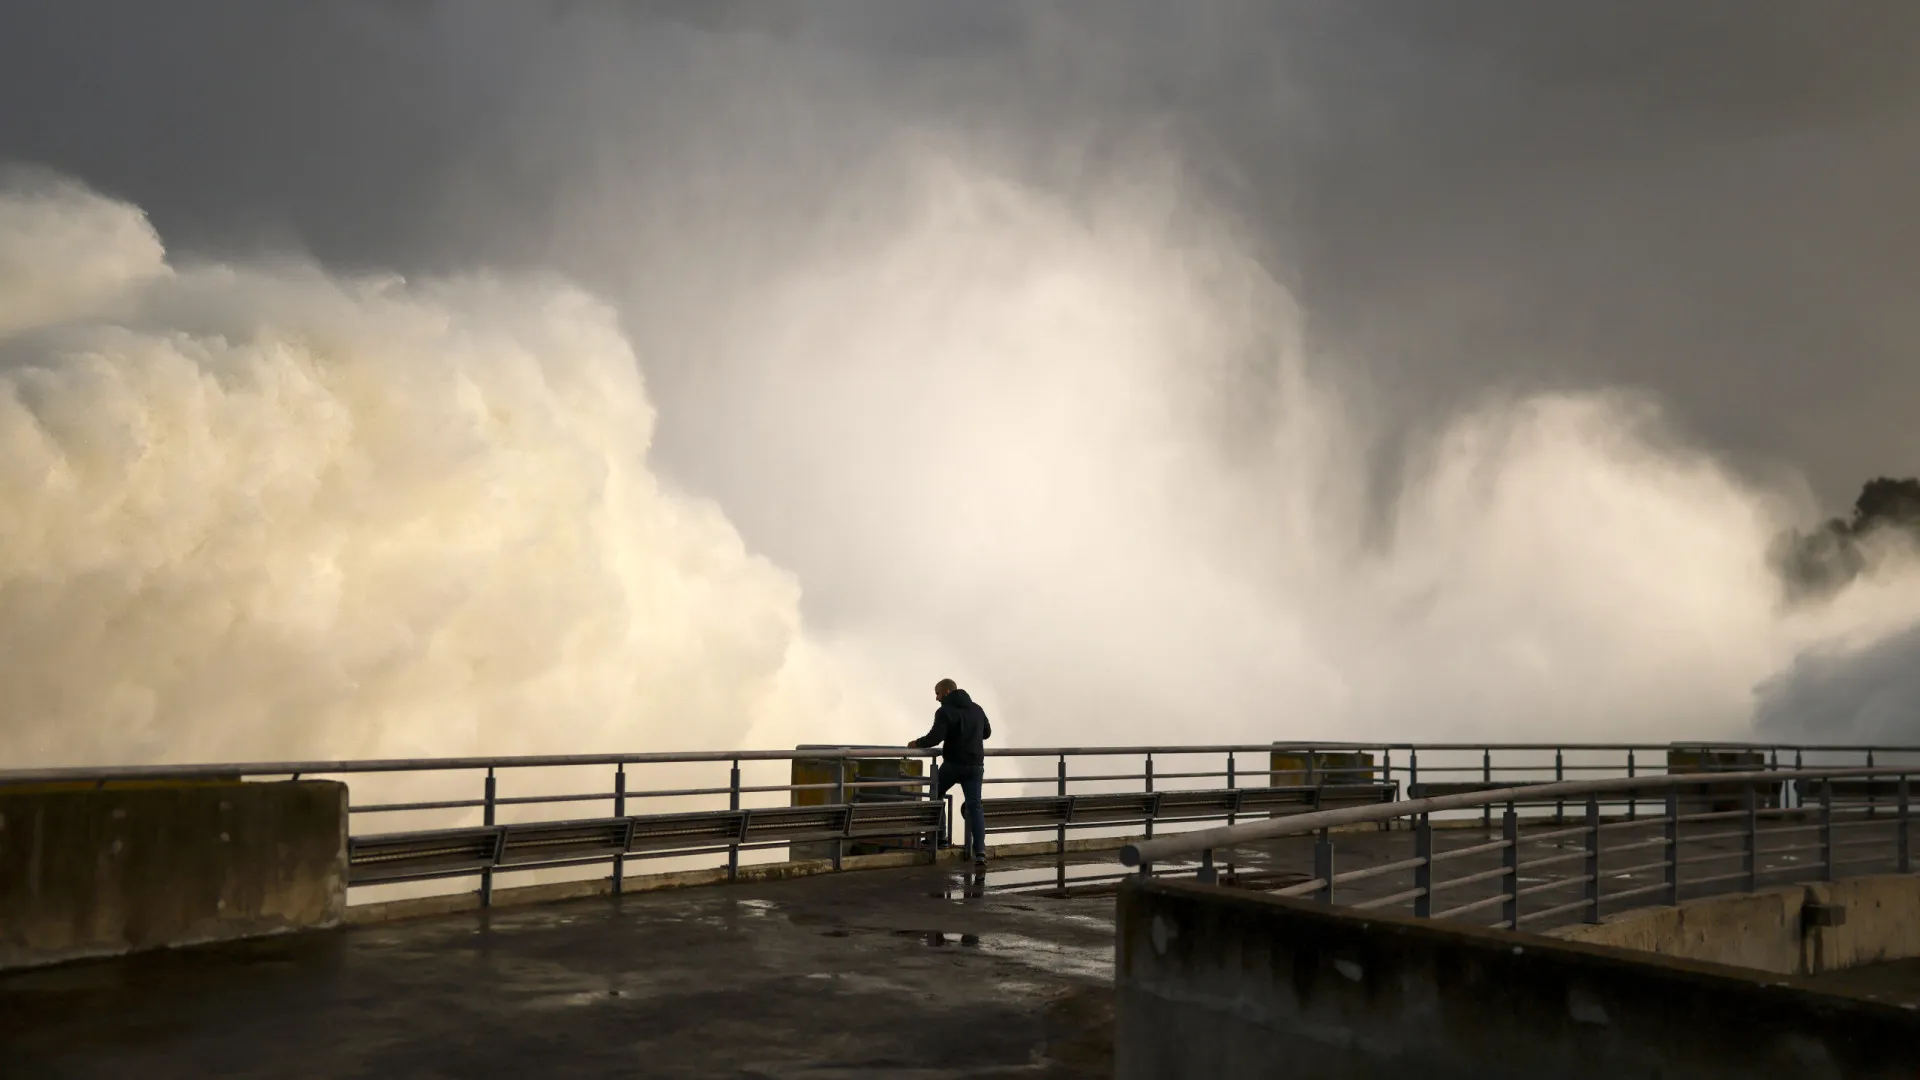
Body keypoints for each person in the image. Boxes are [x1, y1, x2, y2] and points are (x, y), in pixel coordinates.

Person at [909, 678, 991, 863]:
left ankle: (940, 838)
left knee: (936, 792)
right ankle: (980, 851)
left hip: (954, 764)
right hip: (975, 765)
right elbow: (986, 733)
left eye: (937, 693)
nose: (937, 698)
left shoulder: (945, 711)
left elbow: (935, 738)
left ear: (946, 691)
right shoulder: (977, 709)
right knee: (975, 806)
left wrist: (916, 743)